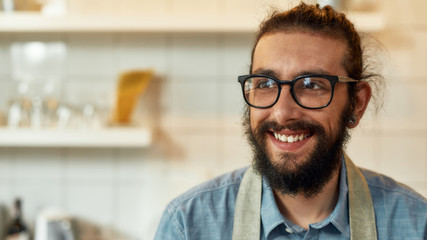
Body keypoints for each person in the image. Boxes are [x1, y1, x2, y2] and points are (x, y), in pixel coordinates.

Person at [154, 3, 427, 240]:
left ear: (356, 102)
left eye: (311, 84)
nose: (282, 112)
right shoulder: (187, 226)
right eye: (265, 83)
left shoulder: (417, 225)